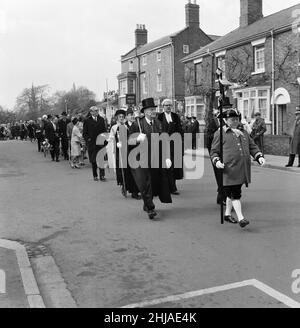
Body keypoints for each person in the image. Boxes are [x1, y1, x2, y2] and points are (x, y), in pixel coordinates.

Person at [210, 108, 266, 229]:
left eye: (236, 119)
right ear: (225, 120)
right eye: (232, 119)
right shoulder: (220, 133)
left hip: (242, 169)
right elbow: (214, 151)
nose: (235, 122)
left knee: (231, 193)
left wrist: (259, 156)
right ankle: (241, 218)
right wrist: (217, 161)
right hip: (229, 169)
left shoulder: (243, 132)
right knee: (235, 194)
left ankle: (227, 214)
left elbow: (252, 147)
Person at [128, 98, 172, 220]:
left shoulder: (158, 123)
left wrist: (167, 157)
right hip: (140, 159)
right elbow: (128, 141)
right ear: (146, 111)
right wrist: (136, 139)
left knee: (153, 182)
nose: (154, 111)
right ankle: (150, 208)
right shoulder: (137, 124)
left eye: (154, 109)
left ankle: (147, 203)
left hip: (155, 158)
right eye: (152, 109)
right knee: (145, 182)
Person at [110, 109, 141, 199]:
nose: (121, 118)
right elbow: (112, 138)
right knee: (124, 171)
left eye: (123, 117)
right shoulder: (115, 127)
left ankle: (134, 190)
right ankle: (125, 185)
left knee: (132, 172)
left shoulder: (129, 126)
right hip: (122, 151)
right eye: (120, 117)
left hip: (131, 150)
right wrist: (116, 143)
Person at [157, 99, 183, 195]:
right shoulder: (159, 117)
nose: (168, 107)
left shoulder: (175, 116)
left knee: (174, 167)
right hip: (163, 145)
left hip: (174, 145)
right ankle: (166, 187)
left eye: (170, 105)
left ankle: (173, 187)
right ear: (163, 106)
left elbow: (180, 130)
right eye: (166, 105)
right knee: (165, 167)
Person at [83, 106, 107, 181]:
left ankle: (102, 175)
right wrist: (88, 140)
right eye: (94, 111)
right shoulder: (87, 121)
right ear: (91, 112)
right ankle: (95, 175)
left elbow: (104, 130)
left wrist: (105, 139)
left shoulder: (101, 119)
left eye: (97, 111)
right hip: (92, 143)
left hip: (100, 143)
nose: (96, 112)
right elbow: (85, 133)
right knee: (94, 161)